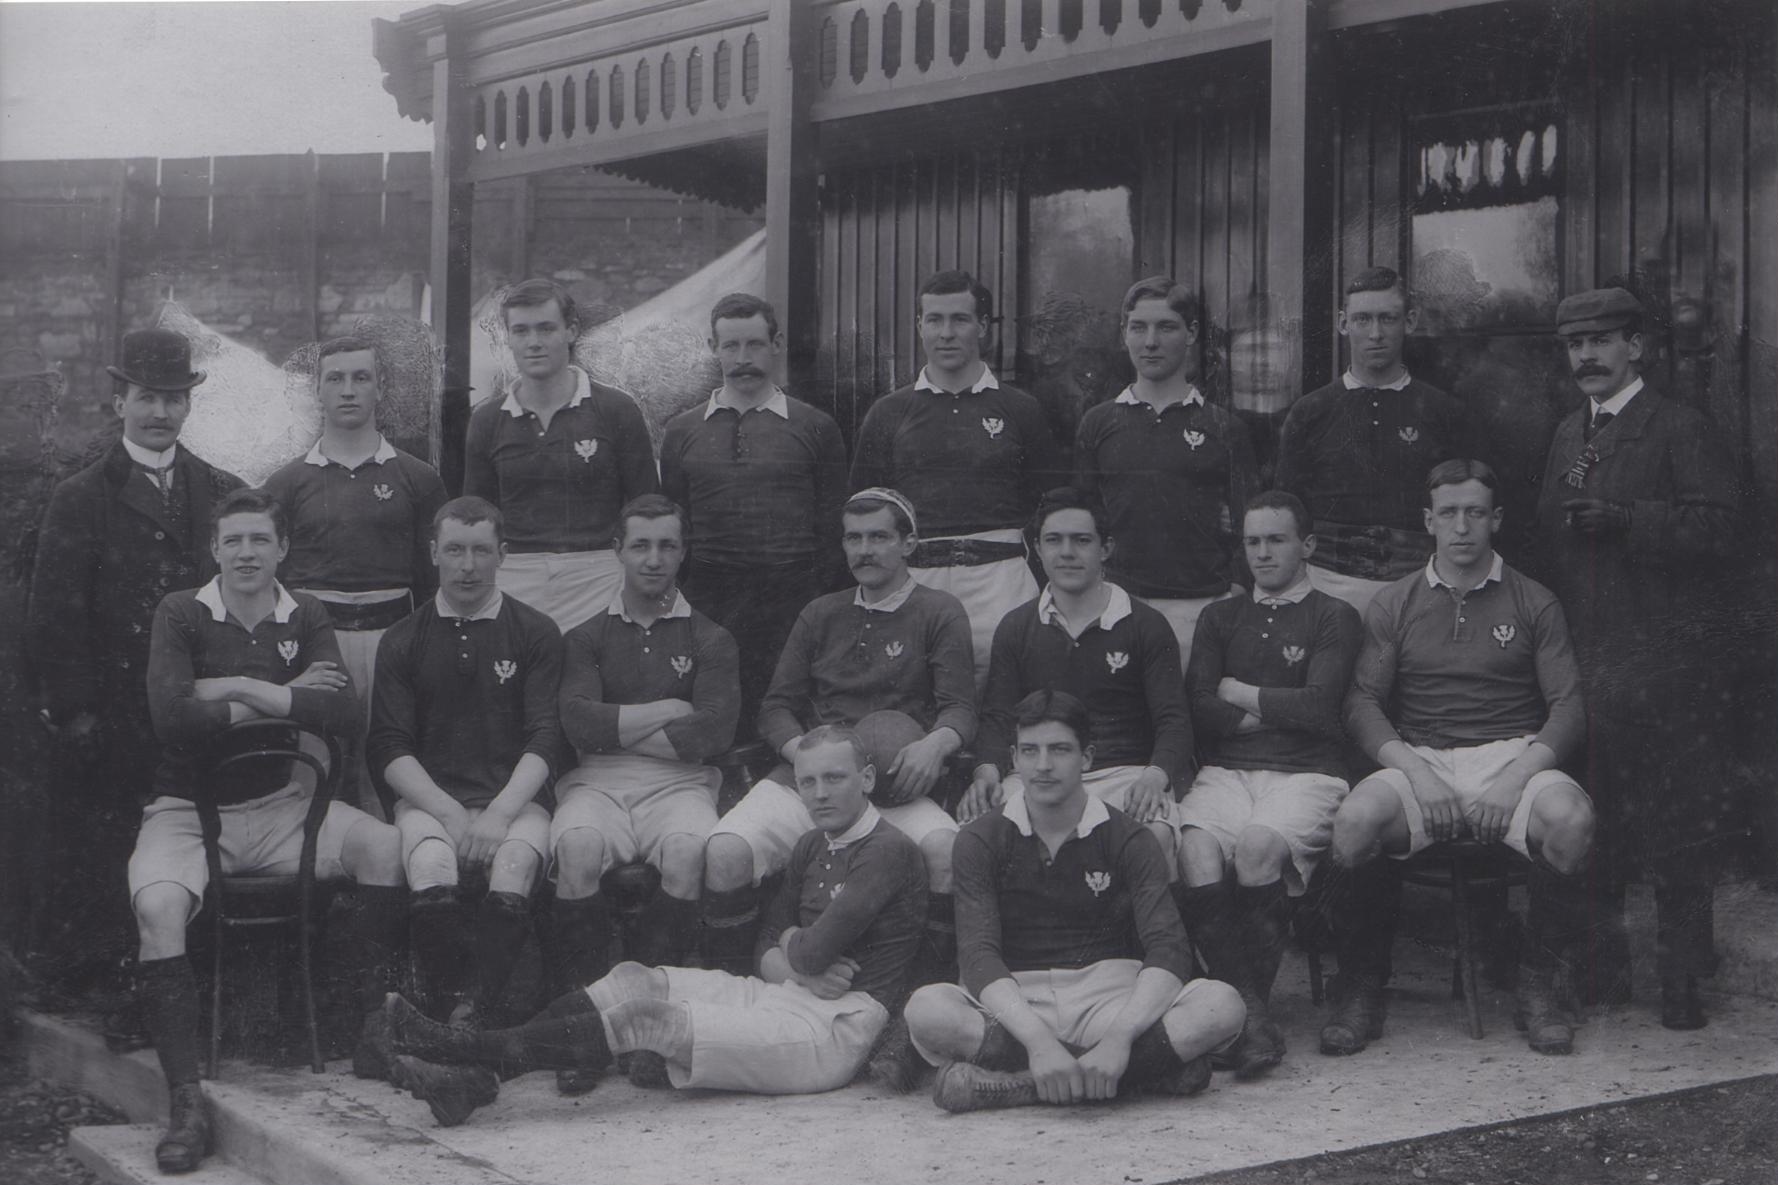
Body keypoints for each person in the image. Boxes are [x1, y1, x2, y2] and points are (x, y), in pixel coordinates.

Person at [376, 725, 928, 1123]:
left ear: (868, 777)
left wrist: (793, 953)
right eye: (807, 782)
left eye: (835, 778)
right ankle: (473, 1080)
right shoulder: (812, 840)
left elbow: (804, 954)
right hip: (785, 993)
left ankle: (456, 1051)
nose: (820, 793)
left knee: (648, 1018)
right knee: (634, 978)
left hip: (832, 1031)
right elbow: (771, 945)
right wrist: (792, 949)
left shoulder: (888, 850)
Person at [130, 489, 404, 1173]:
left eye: (260, 539)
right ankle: (187, 1102)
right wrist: (280, 691)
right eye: (234, 541)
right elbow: (171, 718)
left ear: (282, 548)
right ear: (214, 549)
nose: (247, 552)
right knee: (158, 909)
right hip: (189, 813)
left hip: (284, 806)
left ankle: (374, 1032)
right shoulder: (182, 612)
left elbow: (342, 712)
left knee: (384, 846)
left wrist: (225, 689)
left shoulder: (303, 611)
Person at [1322, 460, 1595, 1058]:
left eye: (1475, 512)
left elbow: (1569, 706)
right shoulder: (1396, 602)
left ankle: (1538, 984)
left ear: (1496, 519)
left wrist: (1513, 778)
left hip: (1511, 757)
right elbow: (1362, 700)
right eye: (1449, 513)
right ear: (1429, 521)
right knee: (1353, 824)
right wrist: (1418, 773)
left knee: (1571, 822)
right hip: (1425, 756)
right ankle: (1364, 983)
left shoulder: (1534, 600)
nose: (1462, 526)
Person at [26, 327, 243, 1041]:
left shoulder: (218, 491)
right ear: (120, 400)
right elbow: (56, 613)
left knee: (192, 841)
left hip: (192, 708)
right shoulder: (82, 495)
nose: (161, 412)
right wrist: (78, 711)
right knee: (113, 846)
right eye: (148, 397)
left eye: (174, 399)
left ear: (188, 406)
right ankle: (121, 990)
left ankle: (192, 983)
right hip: (115, 713)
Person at [1534, 287, 1739, 1027]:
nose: (1586, 355)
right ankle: (1604, 971)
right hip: (1589, 663)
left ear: (1637, 348)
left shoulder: (1679, 427)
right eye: (1574, 343)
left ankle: (1682, 981)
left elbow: (1724, 531)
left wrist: (1629, 519)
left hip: (1664, 664)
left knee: (1676, 828)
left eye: (1602, 340)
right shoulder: (1568, 433)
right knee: (1600, 821)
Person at [904, 690, 1244, 1112]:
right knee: (926, 1009)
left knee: (1222, 1004)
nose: (1043, 766)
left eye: (1059, 750)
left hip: (1109, 998)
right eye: (1030, 751)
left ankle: (1024, 1086)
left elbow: (1169, 949)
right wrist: (1040, 1042)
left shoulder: (1130, 836)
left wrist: (1119, 1038)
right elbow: (978, 955)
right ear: (1014, 757)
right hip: (1017, 1003)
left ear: (1087, 758)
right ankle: (1143, 1071)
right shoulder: (979, 839)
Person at [702, 489, 973, 995]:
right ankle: (734, 990)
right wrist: (806, 756)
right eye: (853, 538)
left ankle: (917, 1004)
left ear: (909, 543)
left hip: (893, 786)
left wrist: (937, 743)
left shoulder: (939, 610)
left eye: (878, 537)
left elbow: (960, 704)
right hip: (816, 780)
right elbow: (775, 707)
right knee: (725, 851)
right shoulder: (820, 613)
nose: (864, 550)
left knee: (944, 851)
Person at [1175, 491, 1363, 1078]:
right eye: (1252, 541)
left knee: (1258, 850)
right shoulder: (1220, 616)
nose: (1262, 553)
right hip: (1227, 770)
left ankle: (1233, 1017)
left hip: (1307, 772)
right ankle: (1251, 1015)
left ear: (1306, 545)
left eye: (1276, 540)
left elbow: (1320, 707)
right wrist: (1266, 708)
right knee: (1195, 850)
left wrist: (1238, 693)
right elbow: (1196, 707)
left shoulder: (1335, 615)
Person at [366, 496, 563, 1029]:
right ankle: (443, 1012)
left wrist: (499, 815)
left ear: (503, 554)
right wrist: (451, 815)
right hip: (432, 803)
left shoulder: (536, 632)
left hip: (514, 804)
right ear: (434, 553)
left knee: (515, 865)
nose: (468, 565)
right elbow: (389, 746)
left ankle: (475, 1018)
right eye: (455, 550)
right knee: (432, 866)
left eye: (481, 551)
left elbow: (546, 737)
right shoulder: (403, 638)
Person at [552, 496, 740, 1024]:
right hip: (596, 782)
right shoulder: (585, 637)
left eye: (667, 546)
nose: (653, 559)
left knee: (687, 853)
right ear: (618, 550)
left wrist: (612, 727)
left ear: (683, 553)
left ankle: (645, 1014)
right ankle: (581, 1024)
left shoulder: (711, 638)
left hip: (681, 784)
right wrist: (668, 709)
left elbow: (713, 732)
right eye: (640, 546)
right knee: (577, 848)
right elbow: (576, 724)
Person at [960, 487, 1191, 883]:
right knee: (974, 835)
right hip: (1038, 771)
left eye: (1081, 540)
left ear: (1106, 548)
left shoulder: (1146, 624)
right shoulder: (1016, 626)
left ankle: (1156, 945)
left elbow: (1173, 720)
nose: (1067, 552)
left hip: (1125, 776)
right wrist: (986, 772)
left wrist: (1155, 776)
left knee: (1152, 836)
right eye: (1054, 540)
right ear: (1036, 548)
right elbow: (998, 715)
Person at [850, 269, 1062, 686]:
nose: (946, 333)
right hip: (915, 579)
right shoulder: (889, 412)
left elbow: (1048, 501)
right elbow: (864, 509)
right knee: (913, 699)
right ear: (919, 327)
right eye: (934, 320)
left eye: (960, 319)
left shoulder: (1020, 408)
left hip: (1001, 579)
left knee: (1006, 698)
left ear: (982, 327)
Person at [263, 335, 447, 811]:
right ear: (318, 392)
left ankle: (383, 877)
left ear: (380, 388)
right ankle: (312, 874)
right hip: (316, 645)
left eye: (361, 378)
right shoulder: (286, 483)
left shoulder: (417, 477)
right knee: (313, 767)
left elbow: (433, 581)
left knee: (387, 769)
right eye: (335, 379)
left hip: (392, 641)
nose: (348, 390)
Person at [660, 293, 848, 734]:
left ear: (777, 343)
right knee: (716, 711)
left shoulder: (815, 426)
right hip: (710, 594)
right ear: (713, 349)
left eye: (755, 345)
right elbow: (674, 522)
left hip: (792, 595)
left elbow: (833, 523)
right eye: (730, 346)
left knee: (787, 709)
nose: (743, 358)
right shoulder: (682, 430)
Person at [1075, 276, 1257, 667]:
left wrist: (1236, 587)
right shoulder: (1098, 423)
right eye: (1138, 328)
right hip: (1116, 603)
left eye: (1166, 327)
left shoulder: (1224, 427)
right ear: (1124, 334)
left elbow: (1249, 521)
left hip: (1201, 607)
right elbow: (1083, 516)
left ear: (1191, 333)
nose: (1151, 342)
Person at [1276, 267, 1474, 617]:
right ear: (1342, 323)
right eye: (1363, 319)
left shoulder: (1444, 412)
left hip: (1421, 588)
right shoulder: (1310, 412)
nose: (1376, 333)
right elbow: (1287, 512)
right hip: (1324, 586)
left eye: (1388, 319)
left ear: (1410, 321)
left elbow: (1467, 507)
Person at [465, 278, 659, 632]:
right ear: (507, 337)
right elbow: (478, 520)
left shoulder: (616, 409)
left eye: (546, 329)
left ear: (570, 331)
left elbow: (647, 508)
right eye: (521, 331)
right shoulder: (486, 420)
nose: (534, 342)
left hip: (599, 578)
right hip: (515, 578)